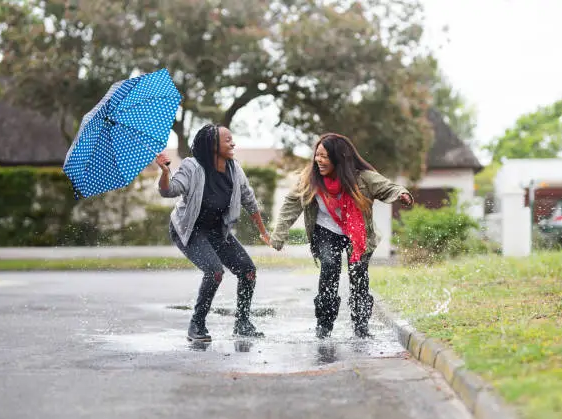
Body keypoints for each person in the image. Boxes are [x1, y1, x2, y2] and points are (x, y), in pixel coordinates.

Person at [270, 133, 413, 339]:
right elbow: (291, 204)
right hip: (325, 231)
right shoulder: (309, 178)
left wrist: (402, 195)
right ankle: (324, 325)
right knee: (329, 268)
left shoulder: (362, 178)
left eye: (324, 156)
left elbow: (388, 187)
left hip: (357, 233)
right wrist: (279, 235)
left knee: (358, 275)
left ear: (339, 158)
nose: (318, 160)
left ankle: (361, 325)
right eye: (317, 155)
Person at [156, 124, 271, 343]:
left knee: (248, 271)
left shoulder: (234, 168)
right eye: (227, 140)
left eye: (232, 139)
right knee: (214, 272)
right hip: (189, 230)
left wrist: (263, 232)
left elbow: (249, 199)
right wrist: (164, 172)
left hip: (218, 231)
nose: (233, 143)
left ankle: (243, 323)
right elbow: (168, 190)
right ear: (212, 144)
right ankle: (196, 324)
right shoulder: (192, 166)